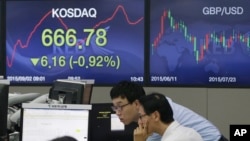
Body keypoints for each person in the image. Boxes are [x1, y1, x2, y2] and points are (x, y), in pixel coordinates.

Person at [110, 80, 229, 141]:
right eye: (115, 107)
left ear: (136, 103)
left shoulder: (157, 112)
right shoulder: (153, 107)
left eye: (120, 106)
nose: (117, 112)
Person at [134, 92, 203, 141]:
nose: (139, 122)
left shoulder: (173, 139)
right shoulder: (190, 132)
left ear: (155, 116)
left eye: (141, 117)